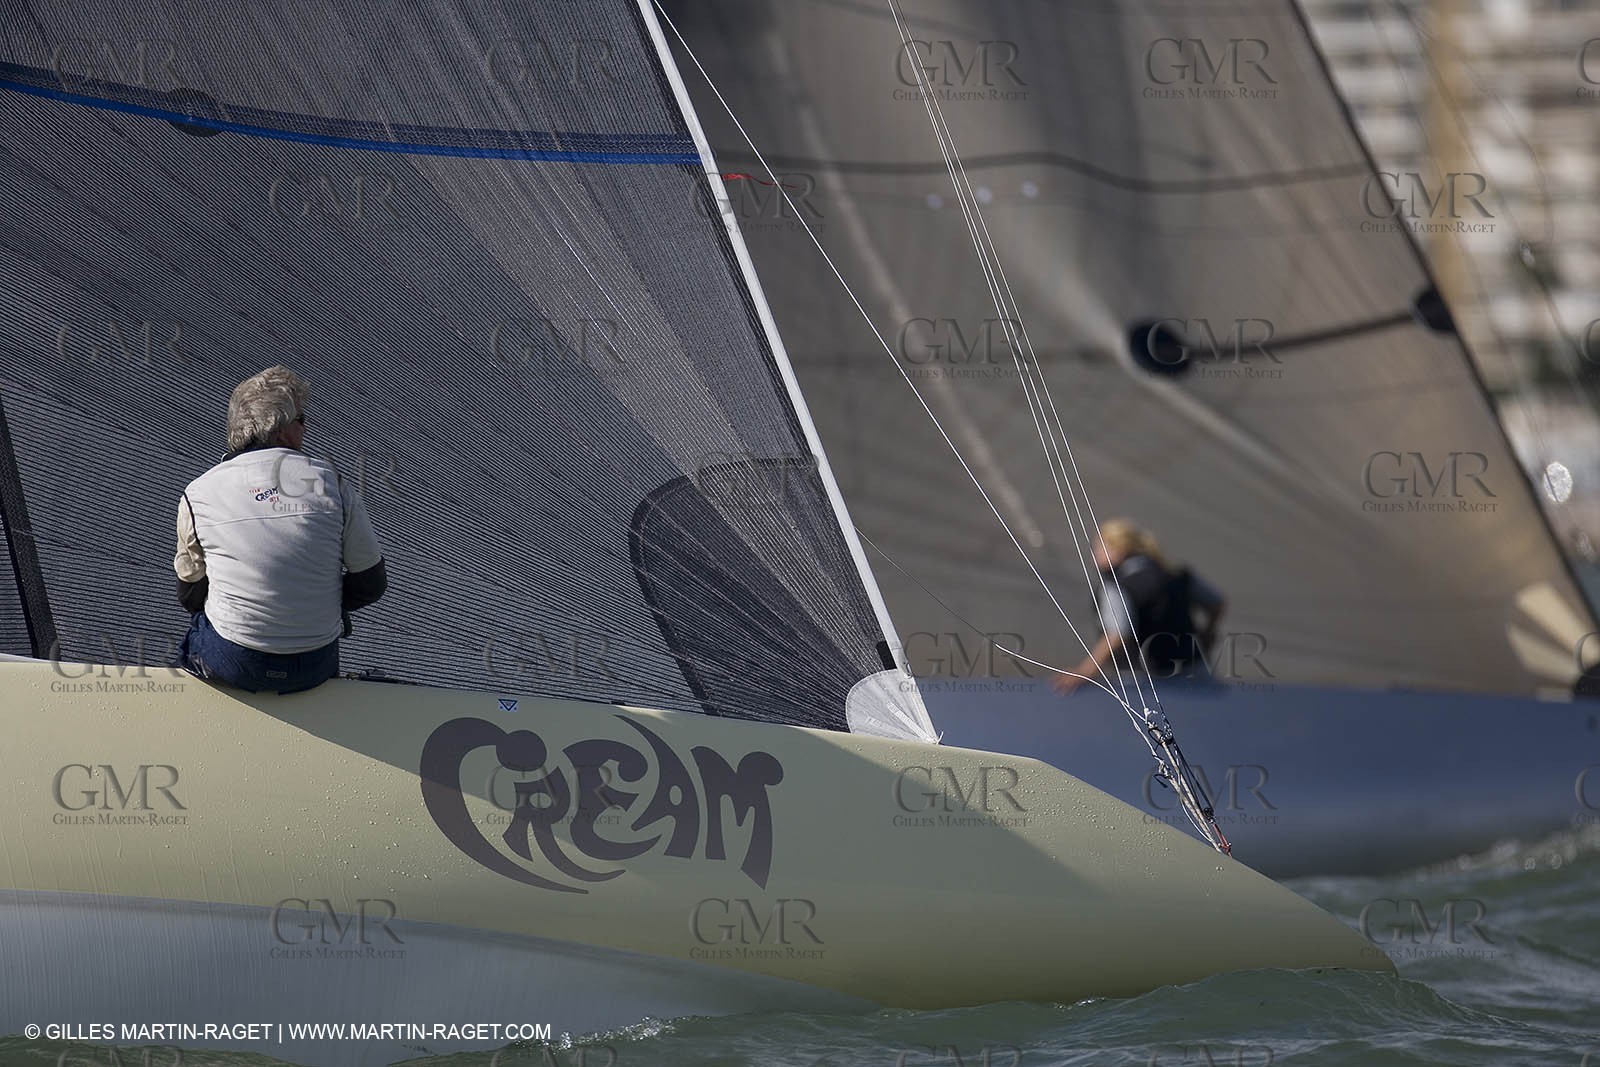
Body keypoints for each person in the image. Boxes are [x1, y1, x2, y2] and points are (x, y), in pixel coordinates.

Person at [173, 366, 387, 693]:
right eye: (302, 421)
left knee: (199, 630)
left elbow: (190, 595)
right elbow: (371, 584)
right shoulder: (332, 483)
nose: (305, 430)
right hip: (313, 666)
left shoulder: (198, 492)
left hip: (233, 663)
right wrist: (319, 601)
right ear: (281, 430)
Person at [1053, 519, 1224, 694]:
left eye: (1099, 548)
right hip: (1195, 671)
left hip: (1145, 681)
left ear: (1119, 549)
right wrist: (1208, 633)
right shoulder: (1176, 574)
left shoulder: (1117, 585)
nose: (1094, 554)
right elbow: (1217, 602)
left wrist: (1085, 671)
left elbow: (1118, 633)